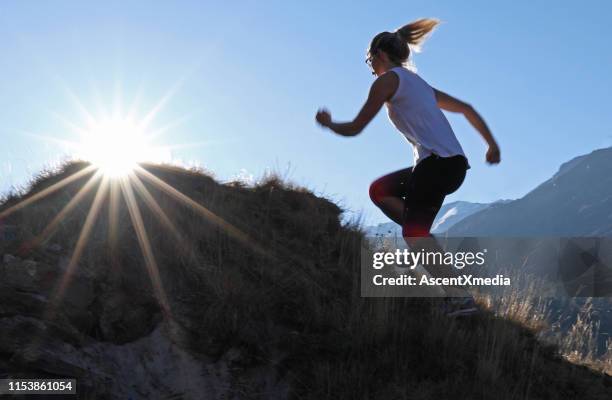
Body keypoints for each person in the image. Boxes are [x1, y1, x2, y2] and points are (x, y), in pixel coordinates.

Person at [315, 18, 501, 316]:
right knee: (380, 191)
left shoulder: (388, 81)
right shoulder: (422, 86)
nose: (369, 65)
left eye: (369, 59)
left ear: (380, 55)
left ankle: (458, 297)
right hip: (451, 166)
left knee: (413, 233)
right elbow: (467, 109)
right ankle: (421, 238)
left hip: (437, 165)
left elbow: (355, 127)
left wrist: (329, 124)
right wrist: (491, 145)